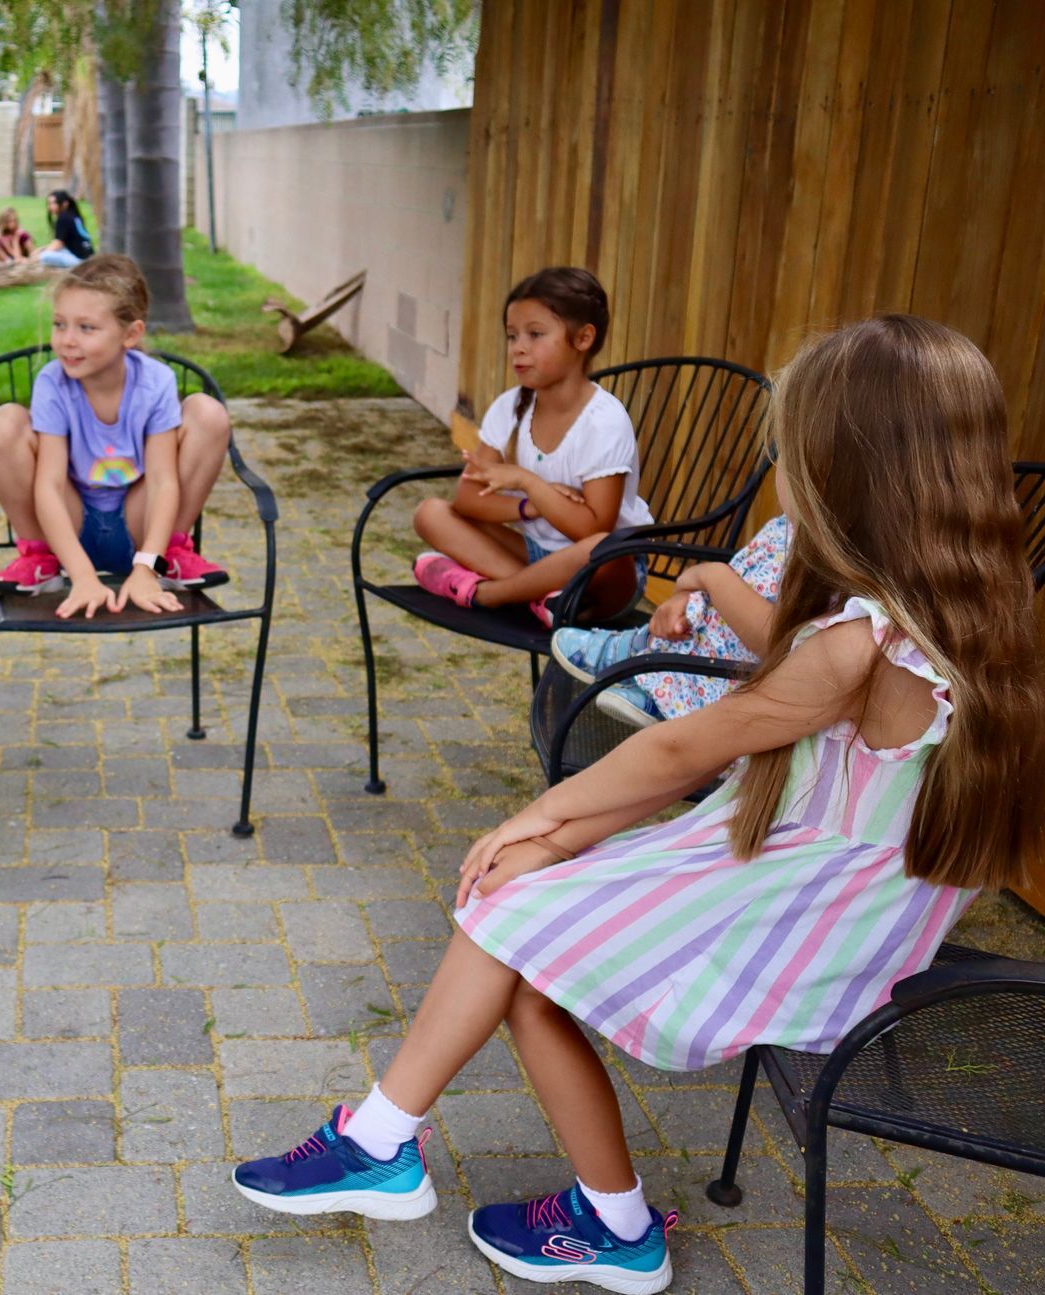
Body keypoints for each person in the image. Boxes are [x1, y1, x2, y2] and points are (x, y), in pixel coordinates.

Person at [229, 315, 1045, 1293]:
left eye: (797, 453)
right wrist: (556, 827)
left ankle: (443, 1163)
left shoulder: (861, 643)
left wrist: (530, 816)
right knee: (523, 885)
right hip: (820, 867)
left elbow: (675, 748)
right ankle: (436, 1155)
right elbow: (684, 772)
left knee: (523, 930)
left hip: (821, 913)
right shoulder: (978, 610)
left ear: (847, 471)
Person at [0, 254, 231, 616]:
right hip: (69, 531)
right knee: (4, 422)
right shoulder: (53, 382)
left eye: (86, 328)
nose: (66, 340)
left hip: (142, 531)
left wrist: (144, 568)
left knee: (208, 413)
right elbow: (48, 485)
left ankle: (167, 560)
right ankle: (40, 560)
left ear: (130, 334)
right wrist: (81, 576)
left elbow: (163, 482)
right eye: (59, 324)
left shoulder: (155, 382)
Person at [412, 267, 654, 627]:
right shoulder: (510, 405)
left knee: (603, 548)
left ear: (584, 338)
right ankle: (540, 598)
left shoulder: (603, 421)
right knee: (431, 512)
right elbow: (467, 499)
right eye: (512, 336)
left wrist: (527, 481)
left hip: (603, 576)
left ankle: (489, 593)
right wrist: (530, 507)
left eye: (536, 334)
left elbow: (592, 530)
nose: (518, 348)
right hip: (536, 557)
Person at [552, 513, 792, 726]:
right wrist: (687, 592)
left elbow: (774, 640)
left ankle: (666, 690)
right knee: (694, 618)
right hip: (699, 644)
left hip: (730, 687)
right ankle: (647, 654)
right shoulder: (787, 526)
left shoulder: (816, 564)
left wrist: (713, 576)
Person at [38, 190, 94, 269]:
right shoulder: (74, 215)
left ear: (65, 204)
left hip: (79, 261)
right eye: (49, 203)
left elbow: (58, 244)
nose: (50, 207)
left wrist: (38, 256)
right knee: (49, 252)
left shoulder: (63, 218)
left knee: (44, 256)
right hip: (88, 256)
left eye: (54, 203)